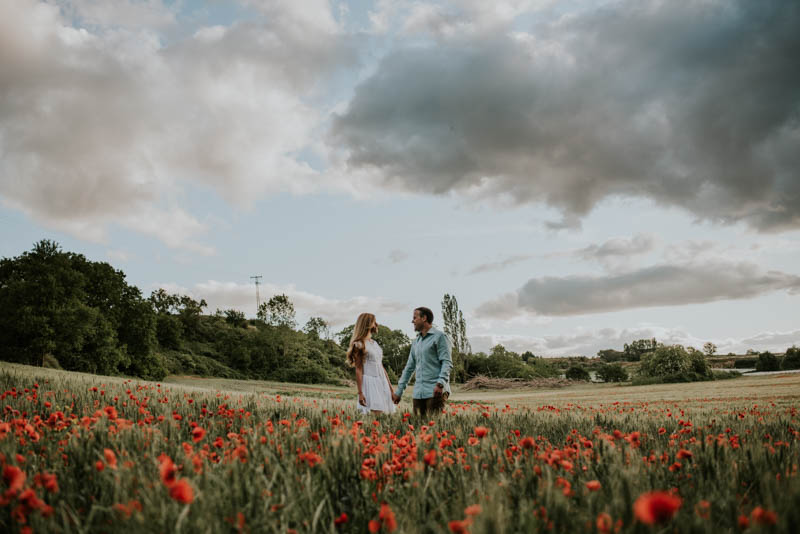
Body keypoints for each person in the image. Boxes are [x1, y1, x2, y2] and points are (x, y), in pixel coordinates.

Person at [392, 306, 452, 417]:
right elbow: (409, 368)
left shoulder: (440, 337)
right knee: (419, 430)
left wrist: (440, 384)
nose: (412, 321)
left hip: (435, 391)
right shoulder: (416, 342)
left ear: (424, 318)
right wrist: (399, 392)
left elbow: (447, 362)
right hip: (418, 394)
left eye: (415, 318)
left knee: (434, 429)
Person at [347, 313, 396, 415]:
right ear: (368, 324)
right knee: (376, 414)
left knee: (384, 416)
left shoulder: (375, 343)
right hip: (370, 382)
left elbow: (381, 366)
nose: (376, 324)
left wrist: (391, 389)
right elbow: (359, 369)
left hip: (382, 381)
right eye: (374, 321)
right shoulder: (359, 344)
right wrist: (360, 393)